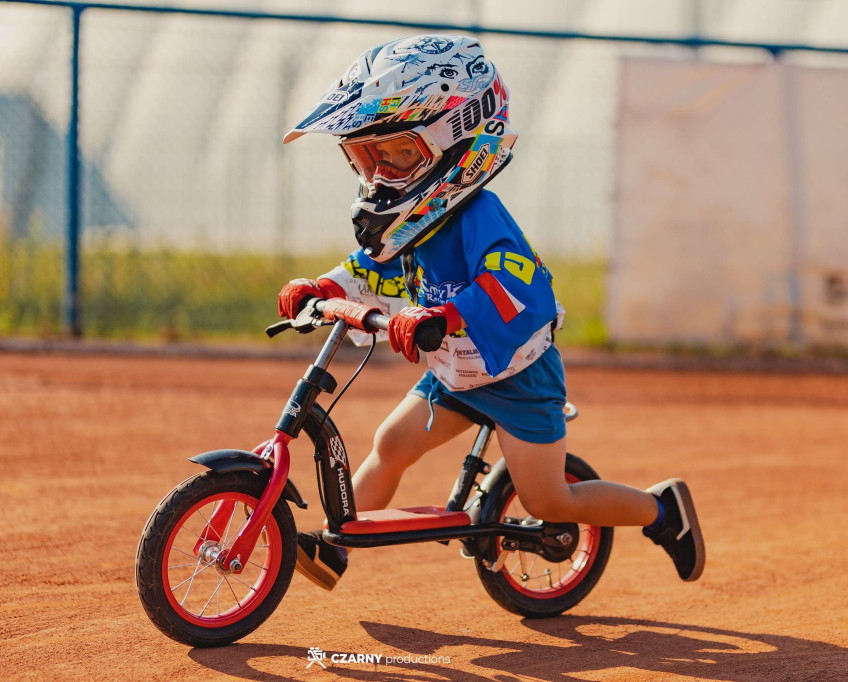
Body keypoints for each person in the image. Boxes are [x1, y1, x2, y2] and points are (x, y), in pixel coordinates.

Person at [278, 34, 704, 591]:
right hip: (456, 373)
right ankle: (337, 548)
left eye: (399, 153)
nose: (381, 173)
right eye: (369, 156)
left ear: (454, 144)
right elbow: (374, 269)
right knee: (392, 445)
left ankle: (662, 511)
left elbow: (513, 285)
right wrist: (324, 286)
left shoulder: (478, 213)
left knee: (549, 498)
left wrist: (445, 317)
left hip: (519, 377)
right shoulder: (412, 222)